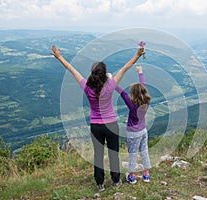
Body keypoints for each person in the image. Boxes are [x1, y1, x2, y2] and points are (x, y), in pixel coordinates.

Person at [51, 45, 145, 191]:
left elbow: (71, 69)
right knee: (113, 152)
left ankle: (100, 184)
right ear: (104, 74)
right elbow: (126, 67)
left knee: (98, 155)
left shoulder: (86, 87)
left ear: (92, 74)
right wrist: (138, 54)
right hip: (111, 125)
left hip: (96, 126)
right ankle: (116, 181)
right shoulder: (110, 86)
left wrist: (59, 57)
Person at [115, 66, 151, 184]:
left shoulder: (132, 104)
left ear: (133, 95)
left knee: (133, 154)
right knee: (144, 151)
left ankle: (131, 176)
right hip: (143, 131)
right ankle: (146, 175)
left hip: (133, 133)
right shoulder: (146, 102)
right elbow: (143, 86)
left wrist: (111, 80)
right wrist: (140, 72)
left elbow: (122, 92)